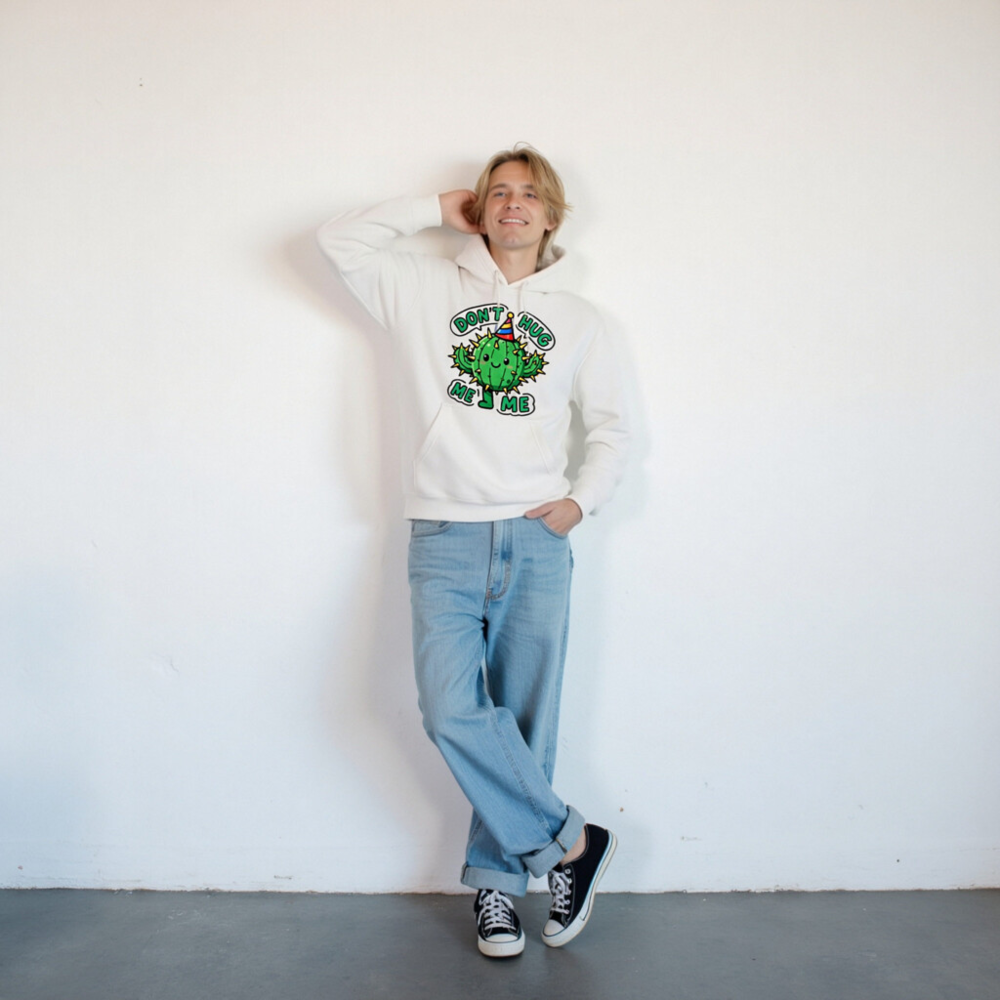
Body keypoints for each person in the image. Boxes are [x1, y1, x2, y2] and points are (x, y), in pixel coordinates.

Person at [318, 146, 628, 957]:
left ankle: (498, 887)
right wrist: (433, 207)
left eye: (529, 194)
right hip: (445, 533)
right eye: (498, 193)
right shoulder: (420, 287)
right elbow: (336, 241)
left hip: (536, 534)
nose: (512, 203)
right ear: (478, 208)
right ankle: (572, 843)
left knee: (524, 721)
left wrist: (581, 502)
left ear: (552, 215)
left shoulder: (580, 318)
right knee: (452, 709)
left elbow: (612, 429)